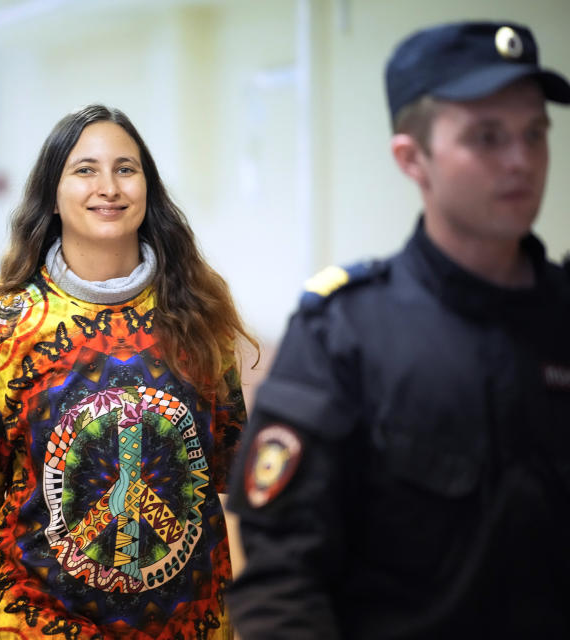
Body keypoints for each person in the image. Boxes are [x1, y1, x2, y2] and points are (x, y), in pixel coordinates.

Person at [226, 20, 570, 639]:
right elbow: (282, 580)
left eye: (535, 133)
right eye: (487, 138)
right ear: (414, 159)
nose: (522, 160)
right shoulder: (345, 335)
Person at [0, 104, 256, 639]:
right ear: (53, 194)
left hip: (189, 625)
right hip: (41, 625)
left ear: (148, 188)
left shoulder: (200, 311)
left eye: (126, 168)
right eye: (85, 169)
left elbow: (225, 465)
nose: (108, 187)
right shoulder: (5, 325)